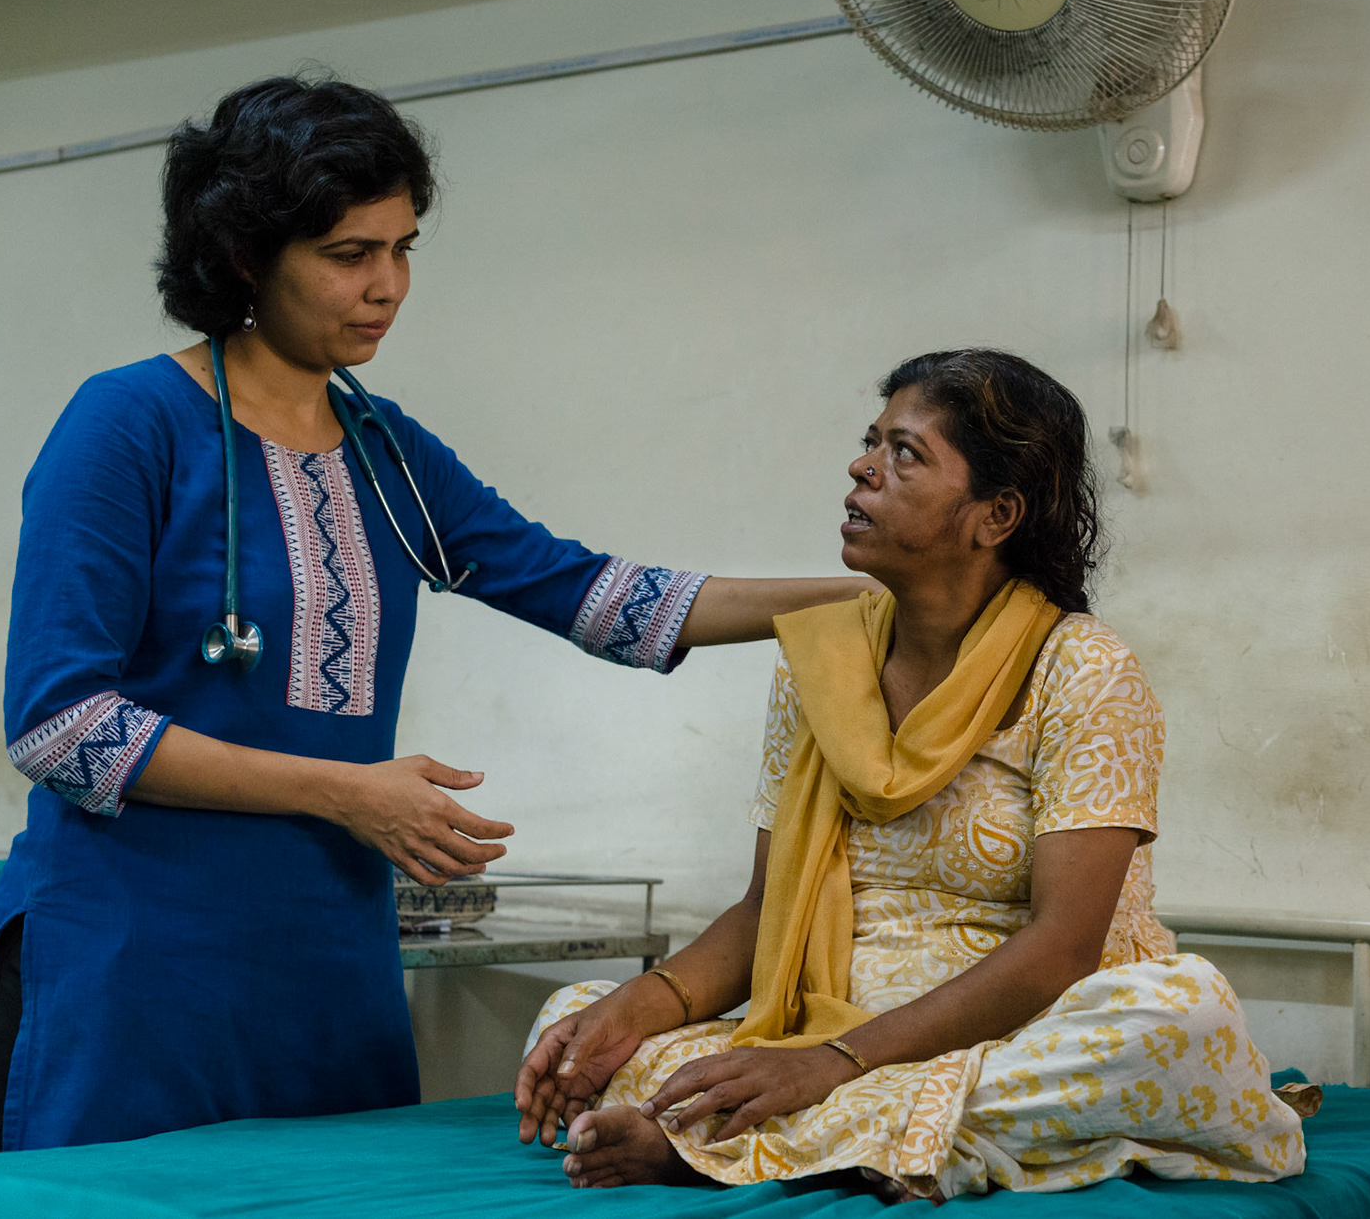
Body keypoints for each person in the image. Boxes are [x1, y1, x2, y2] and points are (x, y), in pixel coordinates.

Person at [0, 75, 866, 1152]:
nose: (388, 285)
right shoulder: (129, 425)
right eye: (350, 254)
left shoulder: (385, 450)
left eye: (403, 249)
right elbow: (59, 724)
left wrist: (866, 597)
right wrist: (348, 793)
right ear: (243, 256)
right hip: (140, 966)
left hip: (326, 968)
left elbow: (594, 596)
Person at [515, 349, 1309, 1198]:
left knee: (1178, 1022)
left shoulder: (1082, 669)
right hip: (824, 1018)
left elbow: (1062, 950)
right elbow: (762, 910)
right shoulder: (819, 661)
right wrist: (643, 1005)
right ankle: (878, 1138)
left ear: (995, 515)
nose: (862, 467)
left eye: (905, 453)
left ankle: (729, 1142)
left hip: (1018, 1023)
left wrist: (834, 1063)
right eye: (870, 443)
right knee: (572, 1021)